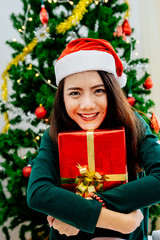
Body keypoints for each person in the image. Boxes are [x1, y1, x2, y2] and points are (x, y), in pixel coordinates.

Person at [27, 38, 160, 240]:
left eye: (99, 91)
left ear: (112, 92)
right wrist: (120, 222)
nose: (87, 105)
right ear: (62, 97)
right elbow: (38, 192)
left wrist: (77, 213)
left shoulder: (134, 125)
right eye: (74, 93)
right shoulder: (54, 134)